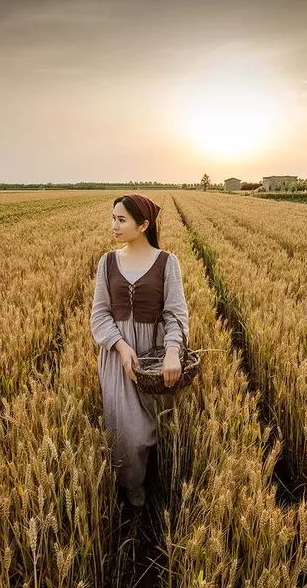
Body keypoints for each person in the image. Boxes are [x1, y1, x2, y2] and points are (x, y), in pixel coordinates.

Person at [89, 193, 190, 507]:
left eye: (122, 220)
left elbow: (176, 313)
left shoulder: (166, 262)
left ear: (143, 224)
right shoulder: (107, 262)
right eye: (113, 218)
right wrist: (120, 347)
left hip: (154, 356)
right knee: (127, 432)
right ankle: (132, 486)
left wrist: (173, 351)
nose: (114, 225)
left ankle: (157, 478)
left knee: (157, 426)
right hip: (119, 357)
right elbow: (99, 313)